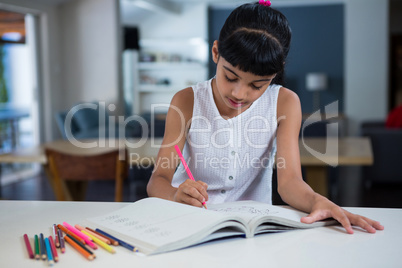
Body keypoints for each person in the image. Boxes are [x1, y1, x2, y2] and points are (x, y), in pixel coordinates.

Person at [146, 1, 384, 234]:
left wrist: (318, 201)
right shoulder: (186, 101)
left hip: (250, 227)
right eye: (230, 77)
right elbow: (158, 179)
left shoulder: (285, 103)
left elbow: (290, 182)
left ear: (275, 73)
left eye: (257, 85)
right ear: (216, 52)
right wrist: (175, 194)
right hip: (187, 221)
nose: (239, 94)